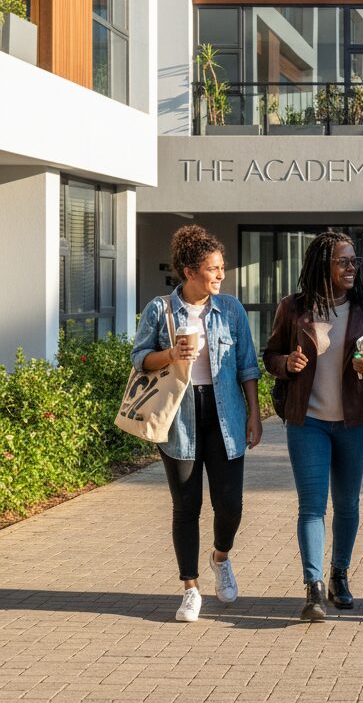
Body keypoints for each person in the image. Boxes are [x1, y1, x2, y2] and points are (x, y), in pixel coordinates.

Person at [264, 230, 363, 622]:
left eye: (355, 261)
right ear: (323, 264)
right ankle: (314, 586)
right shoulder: (293, 308)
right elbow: (270, 355)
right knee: (311, 505)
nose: (352, 267)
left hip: (355, 422)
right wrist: (286, 363)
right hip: (307, 422)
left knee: (347, 503)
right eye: (344, 261)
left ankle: (340, 574)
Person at [131, 224, 263, 623]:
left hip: (226, 416)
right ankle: (190, 588)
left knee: (230, 505)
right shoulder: (160, 310)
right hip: (180, 419)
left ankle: (220, 557)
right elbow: (139, 358)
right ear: (189, 271)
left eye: (222, 267)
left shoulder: (232, 309)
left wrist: (254, 414)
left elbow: (247, 366)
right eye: (213, 269)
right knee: (186, 506)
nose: (221, 275)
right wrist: (171, 354)